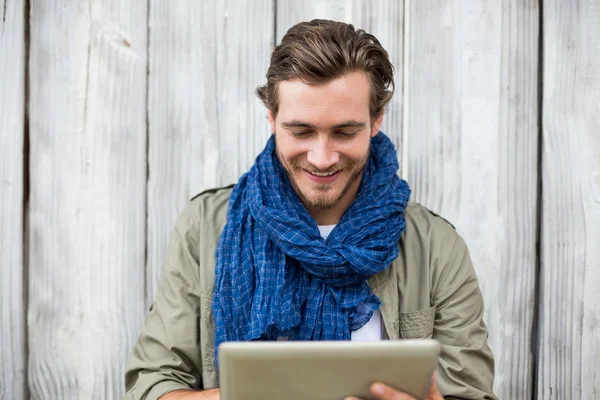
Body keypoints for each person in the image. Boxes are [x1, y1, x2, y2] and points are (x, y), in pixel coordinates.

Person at [123, 19, 497, 400]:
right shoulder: (204, 228)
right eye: (300, 131)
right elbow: (151, 387)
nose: (321, 158)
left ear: (376, 122)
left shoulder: (436, 246)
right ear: (271, 118)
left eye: (345, 132)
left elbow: (471, 392)